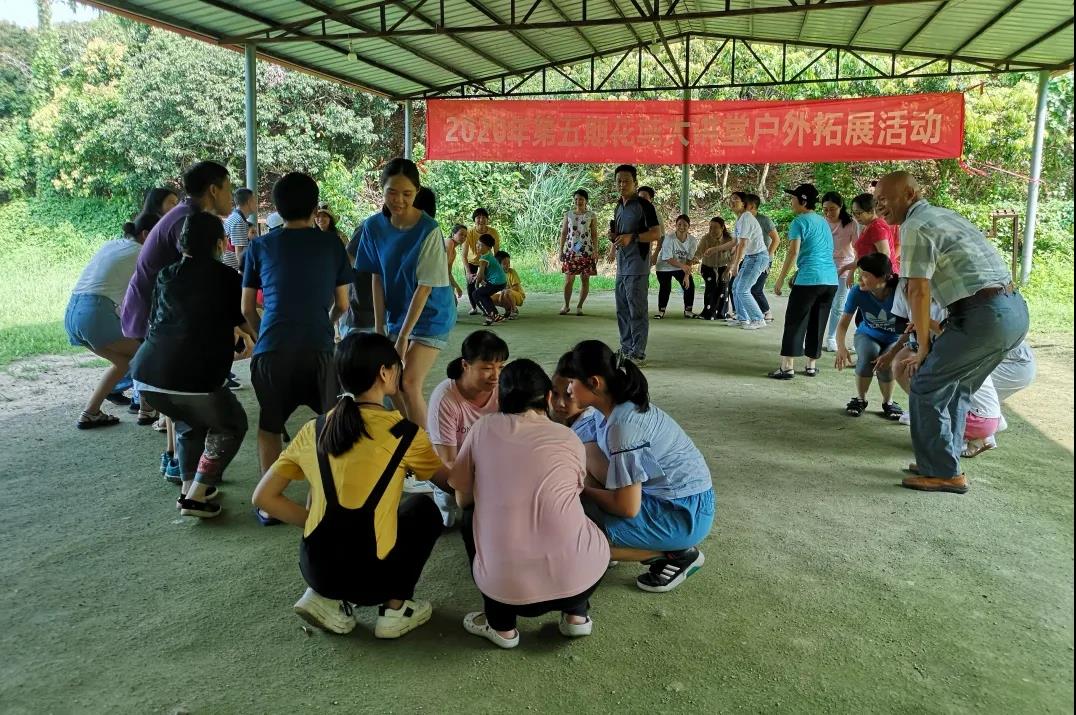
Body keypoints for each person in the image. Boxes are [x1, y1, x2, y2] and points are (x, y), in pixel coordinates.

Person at [252, 332, 449, 638]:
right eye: (396, 367)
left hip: (317, 570)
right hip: (374, 580)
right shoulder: (405, 433)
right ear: (384, 373)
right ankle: (395, 609)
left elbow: (263, 497)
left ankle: (326, 599)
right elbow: (447, 483)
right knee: (424, 509)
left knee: (318, 492)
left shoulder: (314, 427)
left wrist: (315, 523)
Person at [874, 170, 1029, 494]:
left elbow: (918, 289)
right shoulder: (943, 216)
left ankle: (943, 472)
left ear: (910, 195)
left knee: (927, 382)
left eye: (884, 199)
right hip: (1011, 310)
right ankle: (943, 463)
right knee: (957, 387)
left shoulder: (916, 225)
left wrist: (926, 346)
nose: (880, 207)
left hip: (982, 314)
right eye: (876, 201)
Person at [450, 359, 610, 649]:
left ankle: (502, 627)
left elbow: (463, 499)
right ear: (548, 397)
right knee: (585, 506)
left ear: (501, 397)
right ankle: (576, 615)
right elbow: (572, 494)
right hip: (580, 581)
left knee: (469, 516)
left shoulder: (482, 429)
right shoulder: (568, 437)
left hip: (506, 591)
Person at [560, 340, 714, 593]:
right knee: (585, 452)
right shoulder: (609, 407)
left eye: (572, 381)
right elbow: (577, 445)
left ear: (595, 383)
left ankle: (675, 554)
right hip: (673, 498)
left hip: (684, 514)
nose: (567, 389)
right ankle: (624, 540)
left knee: (577, 534)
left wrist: (579, 490)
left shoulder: (623, 426)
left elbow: (626, 506)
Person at [242, 172, 351, 523]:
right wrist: (326, 323)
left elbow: (246, 308)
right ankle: (322, 495)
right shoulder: (331, 243)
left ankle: (268, 502)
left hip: (272, 350)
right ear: (314, 205)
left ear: (277, 207)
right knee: (329, 424)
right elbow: (344, 305)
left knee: (270, 426)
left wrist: (263, 339)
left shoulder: (259, 245)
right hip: (318, 348)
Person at [130, 211, 254, 518]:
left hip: (146, 375)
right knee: (232, 423)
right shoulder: (226, 277)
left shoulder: (166, 274)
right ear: (219, 243)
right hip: (194, 377)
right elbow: (246, 320)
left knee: (188, 422)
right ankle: (196, 496)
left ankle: (190, 487)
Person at [354, 158, 457, 432]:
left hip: (432, 313)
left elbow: (424, 289)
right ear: (382, 190)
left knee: (408, 382)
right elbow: (377, 277)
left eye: (407, 194)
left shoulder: (429, 230)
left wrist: (401, 339)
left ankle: (424, 458)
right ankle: (412, 439)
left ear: (417, 193)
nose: (398, 200)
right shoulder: (373, 227)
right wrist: (379, 329)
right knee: (390, 383)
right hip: (398, 313)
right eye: (392, 192)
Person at [65, 212, 159, 429]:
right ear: (146, 235)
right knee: (149, 352)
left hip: (73, 312)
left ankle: (90, 413)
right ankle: (147, 409)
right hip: (95, 313)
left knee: (124, 361)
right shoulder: (143, 253)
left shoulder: (112, 244)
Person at [425, 330, 509, 526]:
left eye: (501, 367)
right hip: (455, 462)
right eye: (487, 368)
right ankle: (442, 498)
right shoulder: (445, 398)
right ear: (465, 365)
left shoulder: (502, 389)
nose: (496, 376)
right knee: (451, 511)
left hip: (488, 460)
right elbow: (448, 460)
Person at [770, 184, 838, 379]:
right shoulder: (823, 222)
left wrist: (780, 278)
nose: (791, 202)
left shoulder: (799, 222)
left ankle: (787, 367)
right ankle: (810, 365)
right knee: (818, 321)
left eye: (793, 198)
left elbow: (793, 252)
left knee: (795, 321)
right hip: (830, 280)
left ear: (803, 201)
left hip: (809, 279)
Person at [833, 253, 907, 419]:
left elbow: (910, 329)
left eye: (866, 275)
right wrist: (841, 347)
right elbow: (843, 323)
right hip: (867, 334)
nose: (860, 279)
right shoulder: (857, 292)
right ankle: (860, 399)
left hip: (896, 338)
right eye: (861, 274)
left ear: (884, 277)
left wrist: (892, 354)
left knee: (887, 363)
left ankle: (888, 402)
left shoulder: (901, 292)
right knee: (868, 354)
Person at [609, 165, 661, 365]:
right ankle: (626, 348)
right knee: (622, 309)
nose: (622, 184)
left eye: (626, 181)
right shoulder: (618, 205)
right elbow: (621, 234)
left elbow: (656, 233)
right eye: (619, 181)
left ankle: (638, 352)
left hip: (638, 266)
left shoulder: (644, 205)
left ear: (635, 183)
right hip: (622, 267)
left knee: (637, 310)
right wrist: (614, 239)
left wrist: (634, 237)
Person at [821, 191, 860, 352]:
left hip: (844, 267)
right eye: (825, 209)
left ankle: (831, 338)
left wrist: (852, 272)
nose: (828, 213)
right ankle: (813, 336)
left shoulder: (852, 223)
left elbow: (858, 250)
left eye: (832, 209)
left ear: (841, 207)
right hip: (823, 267)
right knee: (820, 303)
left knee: (838, 306)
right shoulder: (821, 222)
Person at [726, 192, 770, 330]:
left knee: (743, 290)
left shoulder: (746, 217)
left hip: (758, 257)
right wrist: (715, 249)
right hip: (751, 257)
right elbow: (735, 242)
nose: (732, 201)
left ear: (744, 204)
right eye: (731, 199)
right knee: (735, 287)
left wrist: (735, 264)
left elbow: (743, 244)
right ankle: (742, 318)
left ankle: (758, 319)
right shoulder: (740, 219)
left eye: (736, 200)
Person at [558, 188, 599, 316]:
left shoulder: (591, 215)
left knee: (585, 279)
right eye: (576, 199)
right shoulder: (568, 214)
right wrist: (560, 250)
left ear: (586, 200)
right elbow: (564, 232)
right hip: (571, 251)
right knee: (568, 280)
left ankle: (580, 306)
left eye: (581, 199)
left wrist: (596, 251)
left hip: (586, 251)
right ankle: (566, 305)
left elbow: (594, 234)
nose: (578, 201)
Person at [653, 214, 698, 319]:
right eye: (679, 224)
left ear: (689, 226)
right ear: (676, 225)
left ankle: (688, 311)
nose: (682, 227)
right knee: (665, 287)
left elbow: (689, 260)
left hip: (681, 267)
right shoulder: (669, 238)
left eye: (685, 225)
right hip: (664, 267)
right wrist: (683, 266)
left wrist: (686, 275)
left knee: (689, 285)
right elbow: (668, 258)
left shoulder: (692, 240)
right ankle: (661, 311)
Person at [462, 208, 502, 316]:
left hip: (487, 262)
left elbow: (497, 251)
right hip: (472, 262)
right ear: (474, 220)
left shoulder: (493, 232)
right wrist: (468, 272)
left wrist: (499, 266)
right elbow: (464, 255)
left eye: (484, 217)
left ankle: (487, 308)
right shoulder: (469, 232)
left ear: (487, 219)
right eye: (478, 217)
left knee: (487, 286)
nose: (481, 219)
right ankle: (474, 307)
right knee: (471, 285)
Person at [747, 194, 780, 322]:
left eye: (745, 204)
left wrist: (767, 257)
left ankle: (767, 312)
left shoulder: (764, 220)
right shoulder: (744, 220)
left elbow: (776, 240)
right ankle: (751, 313)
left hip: (763, 259)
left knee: (756, 288)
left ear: (752, 206)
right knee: (745, 288)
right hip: (749, 258)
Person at [694, 217, 734, 320]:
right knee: (711, 287)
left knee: (723, 288)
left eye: (715, 227)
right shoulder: (705, 238)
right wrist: (694, 259)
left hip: (724, 267)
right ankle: (708, 313)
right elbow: (698, 253)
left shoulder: (729, 240)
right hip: (707, 267)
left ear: (722, 228)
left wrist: (728, 270)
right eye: (710, 227)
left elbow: (733, 257)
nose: (712, 230)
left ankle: (721, 313)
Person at [846, 193, 898, 273]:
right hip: (869, 276)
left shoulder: (877, 227)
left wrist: (877, 278)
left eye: (859, 213)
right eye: (853, 213)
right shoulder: (867, 226)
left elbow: (885, 254)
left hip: (880, 278)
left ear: (871, 211)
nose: (856, 216)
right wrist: (847, 270)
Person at [473, 234, 508, 325]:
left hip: (496, 282)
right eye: (477, 244)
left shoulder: (484, 258)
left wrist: (477, 285)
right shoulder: (488, 255)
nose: (477, 246)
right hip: (501, 281)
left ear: (488, 248)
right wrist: (483, 281)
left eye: (481, 245)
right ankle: (494, 315)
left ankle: (491, 315)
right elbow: (485, 273)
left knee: (476, 293)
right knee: (484, 295)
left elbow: (480, 275)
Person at [223, 188, 256, 272]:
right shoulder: (239, 221)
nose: (256, 204)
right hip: (232, 272)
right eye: (254, 201)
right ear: (249, 202)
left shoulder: (235, 217)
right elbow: (239, 255)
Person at [491, 251, 524, 320]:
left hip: (517, 295)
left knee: (507, 292)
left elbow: (516, 287)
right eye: (505, 264)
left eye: (509, 263)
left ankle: (514, 310)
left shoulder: (512, 272)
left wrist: (505, 291)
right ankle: (508, 310)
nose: (508, 265)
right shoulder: (496, 275)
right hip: (505, 294)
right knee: (489, 298)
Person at [444, 223, 468, 301]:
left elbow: (448, 272)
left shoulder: (454, 252)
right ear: (453, 234)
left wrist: (457, 286)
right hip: (433, 276)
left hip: (440, 277)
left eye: (465, 236)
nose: (463, 237)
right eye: (461, 234)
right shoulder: (449, 242)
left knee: (453, 301)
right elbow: (443, 266)